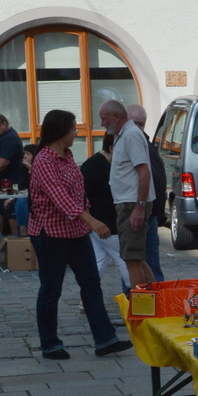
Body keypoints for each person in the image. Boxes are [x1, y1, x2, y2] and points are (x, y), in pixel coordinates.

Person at [27, 109, 132, 361]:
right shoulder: (44, 160)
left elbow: (78, 192)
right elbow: (60, 197)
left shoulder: (67, 156)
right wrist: (92, 221)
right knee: (51, 289)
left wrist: (86, 216)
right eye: (74, 128)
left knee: (91, 284)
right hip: (50, 233)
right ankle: (50, 344)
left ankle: (105, 339)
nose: (77, 132)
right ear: (62, 131)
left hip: (75, 232)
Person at [98, 100, 154, 289]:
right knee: (135, 258)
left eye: (103, 118)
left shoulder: (130, 135)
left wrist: (139, 206)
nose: (102, 123)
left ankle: (141, 309)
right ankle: (155, 302)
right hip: (128, 203)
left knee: (131, 259)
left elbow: (144, 171)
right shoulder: (122, 135)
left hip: (132, 204)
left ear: (116, 116)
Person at [81, 134, 130, 293]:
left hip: (108, 220)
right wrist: (89, 221)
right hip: (104, 222)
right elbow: (82, 194)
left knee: (100, 261)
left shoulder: (112, 164)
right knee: (124, 259)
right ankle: (136, 295)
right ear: (111, 148)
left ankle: (86, 297)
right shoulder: (93, 165)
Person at [126, 104, 165, 283]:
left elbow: (156, 177)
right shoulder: (126, 142)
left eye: (141, 124)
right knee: (134, 262)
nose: (138, 128)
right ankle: (134, 297)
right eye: (135, 124)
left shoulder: (146, 142)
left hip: (150, 213)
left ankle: (157, 298)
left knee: (150, 261)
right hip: (136, 211)